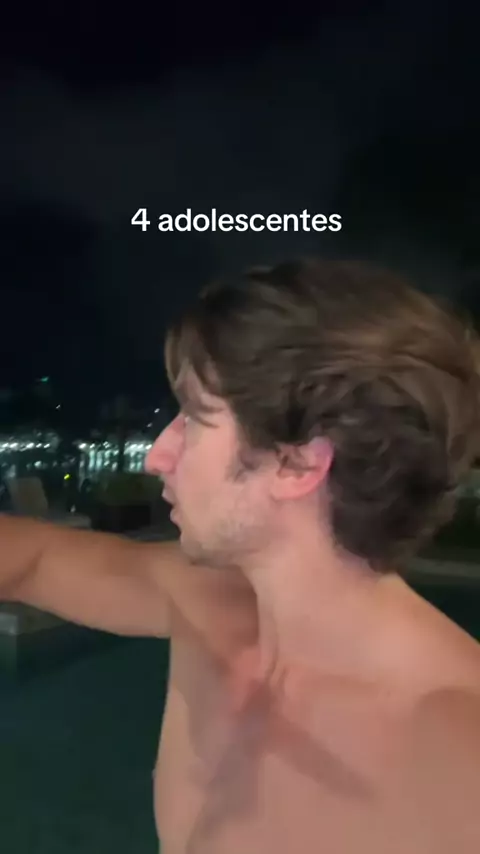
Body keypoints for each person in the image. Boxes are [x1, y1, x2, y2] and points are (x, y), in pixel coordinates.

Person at [2, 257, 480, 853]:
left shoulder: (457, 763)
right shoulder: (204, 601)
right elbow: (32, 559)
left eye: (194, 419)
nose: (156, 456)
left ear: (297, 463)